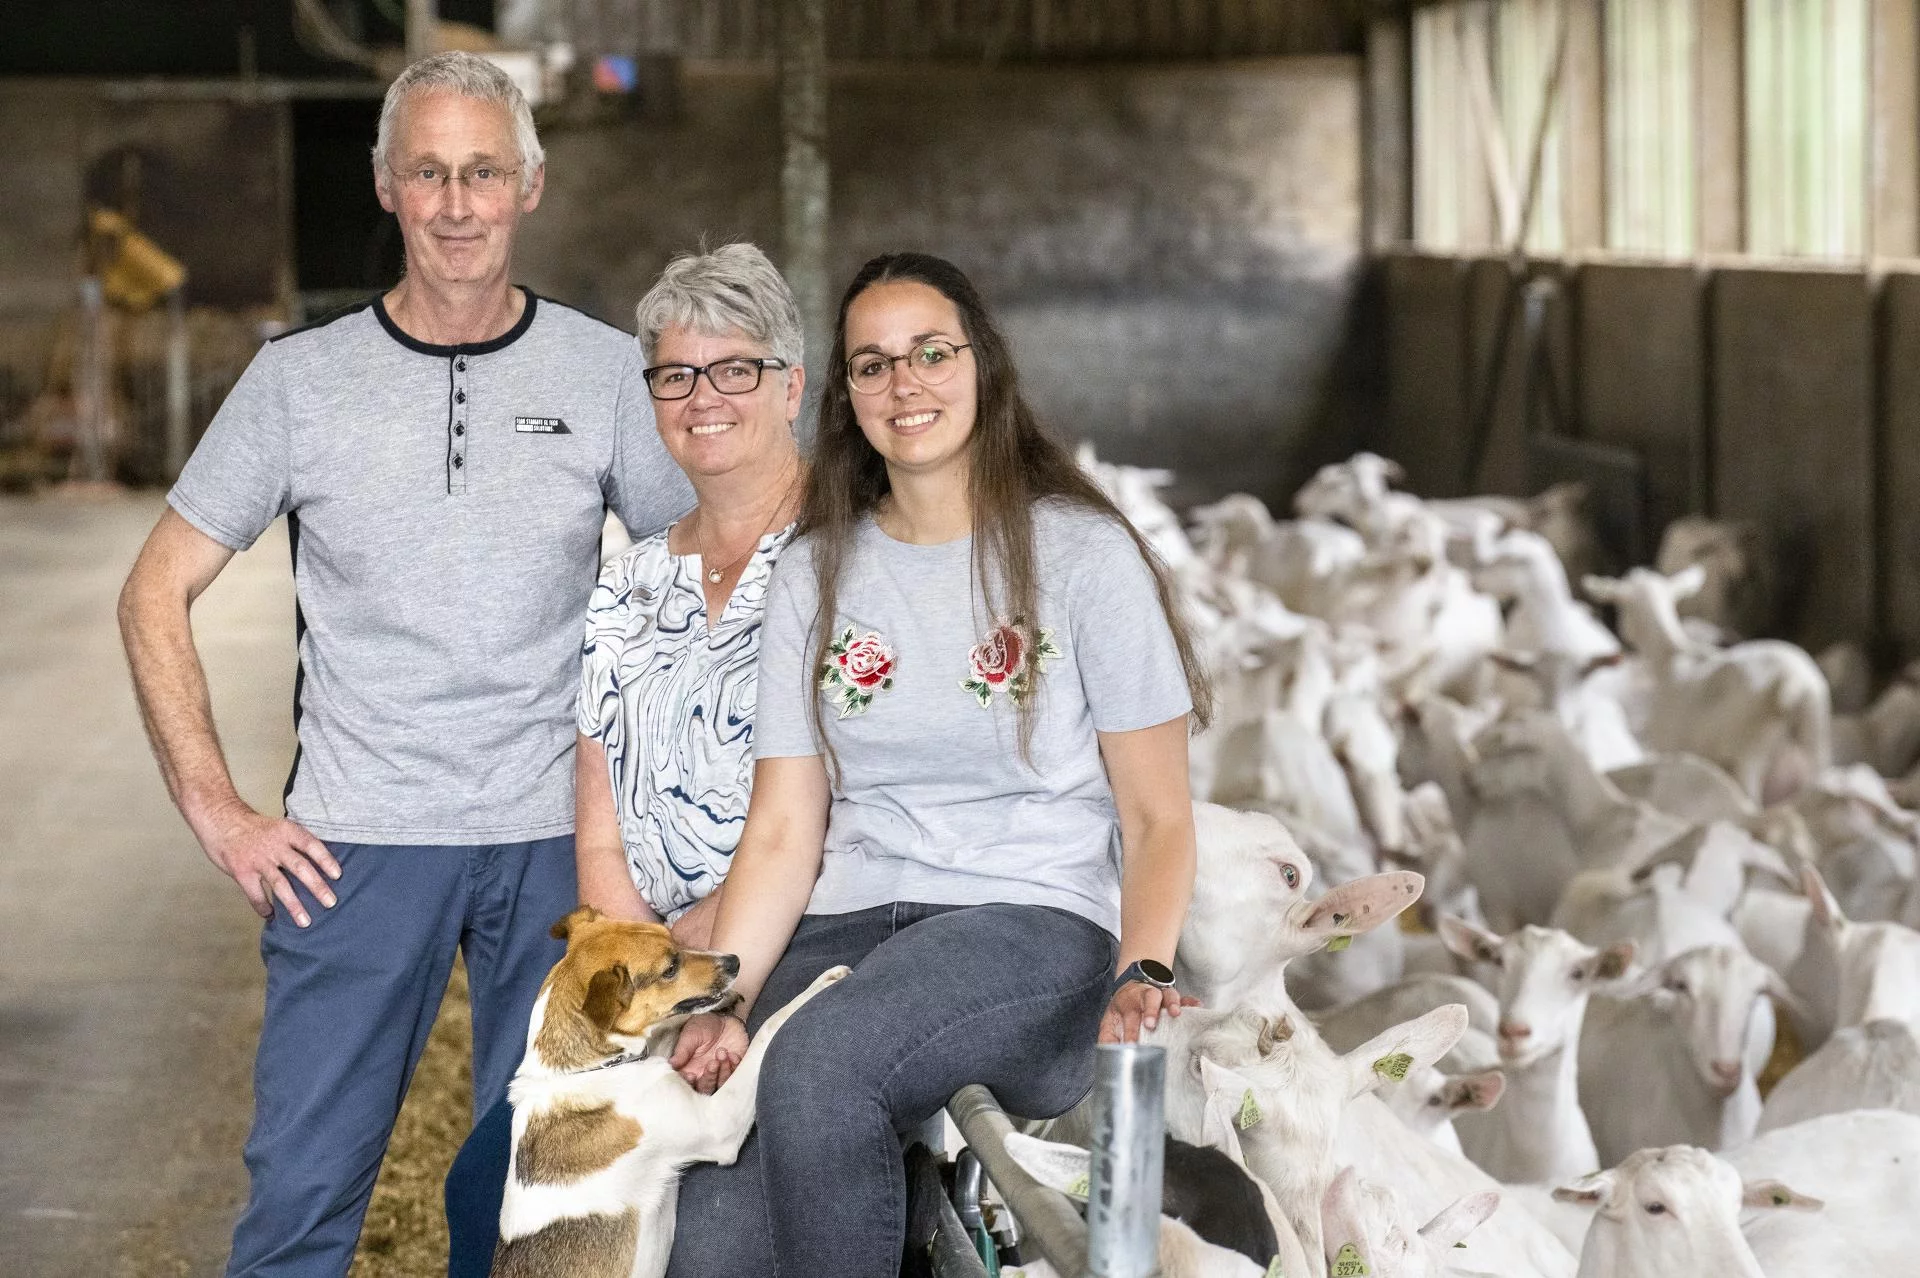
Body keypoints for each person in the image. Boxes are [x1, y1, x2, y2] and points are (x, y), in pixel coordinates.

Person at [116, 52, 691, 1276]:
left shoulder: (600, 374)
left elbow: (702, 577)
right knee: (301, 1208)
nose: (456, 203)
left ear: (531, 184)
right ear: (385, 186)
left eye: (484, 171)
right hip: (356, 847)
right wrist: (221, 815)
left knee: (537, 1202)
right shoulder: (300, 385)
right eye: (427, 172)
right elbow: (154, 589)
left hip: (557, 846)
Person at [664, 251, 1214, 1278]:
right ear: (847, 398)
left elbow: (1158, 818)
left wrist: (1142, 965)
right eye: (872, 365)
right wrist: (729, 995)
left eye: (929, 352)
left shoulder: (1084, 557)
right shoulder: (816, 571)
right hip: (850, 927)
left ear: (982, 366)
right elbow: (785, 826)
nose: (903, 382)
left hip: (1028, 927)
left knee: (825, 1065)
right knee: (708, 1245)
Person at [441, 242, 808, 1277]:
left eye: (734, 369)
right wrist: (640, 969)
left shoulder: (847, 557)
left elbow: (844, 807)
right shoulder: (631, 582)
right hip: (647, 972)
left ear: (791, 384)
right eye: (675, 376)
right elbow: (597, 819)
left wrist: (706, 953)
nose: (704, 399)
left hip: (787, 934)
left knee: (718, 1235)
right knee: (482, 1182)